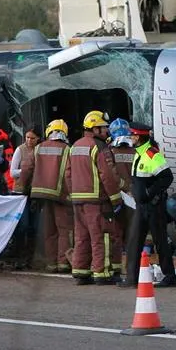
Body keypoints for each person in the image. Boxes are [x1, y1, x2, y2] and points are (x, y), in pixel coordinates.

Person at [67, 111, 124, 285]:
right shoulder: (100, 148)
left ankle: (80, 271)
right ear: (95, 128)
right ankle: (102, 273)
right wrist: (116, 199)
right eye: (104, 128)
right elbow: (107, 176)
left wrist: (73, 194)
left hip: (78, 201)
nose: (107, 131)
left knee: (82, 237)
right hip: (97, 201)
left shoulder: (75, 146)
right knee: (102, 236)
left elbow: (68, 175)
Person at [121, 122, 176, 288]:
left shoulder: (153, 155)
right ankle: (132, 278)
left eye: (132, 135)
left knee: (160, 242)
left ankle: (170, 277)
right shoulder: (139, 153)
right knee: (134, 241)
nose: (130, 138)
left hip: (153, 207)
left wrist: (149, 193)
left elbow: (167, 177)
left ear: (138, 137)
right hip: (141, 206)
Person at [22, 119, 73, 274]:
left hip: (42, 196)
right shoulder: (67, 149)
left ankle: (51, 264)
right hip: (61, 196)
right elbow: (70, 174)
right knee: (64, 230)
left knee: (49, 230)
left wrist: (23, 189)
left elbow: (26, 169)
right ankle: (63, 263)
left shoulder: (38, 148)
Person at [9, 124, 41, 269]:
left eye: (32, 138)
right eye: (27, 137)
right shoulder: (20, 150)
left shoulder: (40, 150)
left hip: (35, 191)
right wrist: (26, 170)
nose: (29, 141)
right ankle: (18, 256)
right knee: (23, 225)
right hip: (21, 192)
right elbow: (12, 172)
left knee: (33, 227)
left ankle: (30, 258)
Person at [106, 118, 134, 281]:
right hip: (135, 197)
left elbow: (111, 175)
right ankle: (133, 264)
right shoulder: (136, 150)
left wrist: (124, 188)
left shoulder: (110, 151)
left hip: (117, 197)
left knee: (117, 232)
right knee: (135, 232)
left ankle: (119, 264)